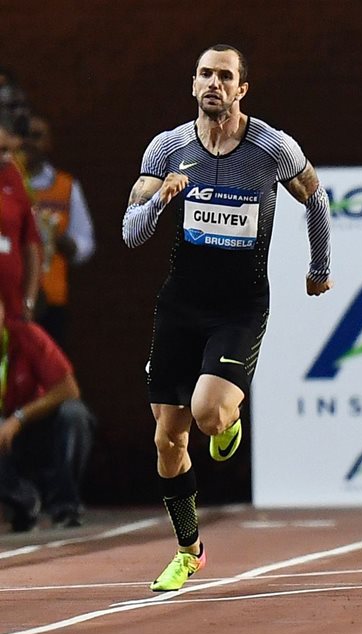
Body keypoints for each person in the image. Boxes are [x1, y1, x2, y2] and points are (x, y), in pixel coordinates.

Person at [121, 44, 333, 591]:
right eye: (204, 75)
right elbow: (130, 233)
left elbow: (316, 197)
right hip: (181, 304)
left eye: (225, 76)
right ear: (193, 84)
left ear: (242, 89)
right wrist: (161, 200)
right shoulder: (168, 149)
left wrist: (319, 266)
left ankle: (230, 420)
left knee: (209, 414)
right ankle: (189, 550)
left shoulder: (270, 147)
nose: (213, 83)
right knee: (169, 439)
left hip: (239, 305)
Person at [0, 298, 92, 531]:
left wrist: (18, 419)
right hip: (5, 443)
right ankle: (23, 501)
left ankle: (65, 506)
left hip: (39, 427)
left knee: (75, 414)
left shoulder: (26, 335)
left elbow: (69, 388)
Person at [23, 114, 97, 347]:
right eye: (25, 135)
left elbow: (85, 244)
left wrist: (62, 242)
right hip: (11, 296)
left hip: (51, 298)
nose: (30, 143)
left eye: (37, 136)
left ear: (48, 142)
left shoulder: (65, 186)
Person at [0, 115, 41, 322]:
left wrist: (29, 301)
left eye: (7, 151)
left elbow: (31, 247)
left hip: (13, 308)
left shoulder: (15, 179)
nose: (5, 157)